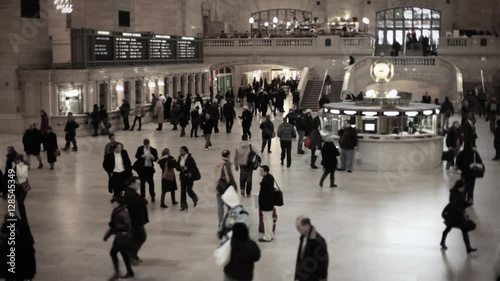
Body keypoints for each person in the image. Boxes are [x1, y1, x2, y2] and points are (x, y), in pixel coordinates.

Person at [440, 180, 477, 254]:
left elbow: (462, 203)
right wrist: (462, 210)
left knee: (464, 231)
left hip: (460, 215)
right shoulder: (453, 194)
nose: (463, 189)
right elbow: (453, 205)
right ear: (458, 187)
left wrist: (467, 204)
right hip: (453, 216)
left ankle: (468, 248)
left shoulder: (463, 193)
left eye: (463, 188)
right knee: (448, 228)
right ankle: (442, 242)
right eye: (461, 188)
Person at [103, 196, 134, 280]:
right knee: (124, 253)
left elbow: (127, 226)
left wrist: (115, 227)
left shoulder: (122, 212)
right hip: (121, 236)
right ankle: (129, 272)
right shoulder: (117, 211)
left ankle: (117, 273)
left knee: (113, 253)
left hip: (121, 237)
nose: (112, 204)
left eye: (114, 202)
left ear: (118, 203)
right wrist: (108, 234)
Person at [123, 176, 149, 265]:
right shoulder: (130, 194)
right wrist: (144, 202)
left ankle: (133, 255)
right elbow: (138, 204)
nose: (139, 186)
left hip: (136, 220)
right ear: (132, 183)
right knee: (141, 237)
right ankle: (131, 256)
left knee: (137, 238)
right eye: (138, 184)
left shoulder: (131, 192)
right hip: (135, 221)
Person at [294, 216, 329, 281]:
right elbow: (300, 259)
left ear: (307, 226)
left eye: (299, 227)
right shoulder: (303, 238)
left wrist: (323, 278)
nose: (297, 230)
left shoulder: (318, 242)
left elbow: (323, 264)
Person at [456, 142, 484, 206]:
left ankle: (463, 199)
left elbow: (457, 162)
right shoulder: (474, 153)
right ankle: (470, 200)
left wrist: (462, 168)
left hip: (464, 173)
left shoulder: (461, 153)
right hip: (472, 173)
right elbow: (480, 162)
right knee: (471, 187)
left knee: (463, 186)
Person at [214, 150, 237, 224]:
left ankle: (220, 223)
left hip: (218, 187)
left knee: (220, 206)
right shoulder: (226, 164)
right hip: (227, 188)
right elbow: (229, 177)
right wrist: (234, 187)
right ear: (228, 156)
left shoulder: (218, 163)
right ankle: (232, 223)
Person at [176, 146, 199, 211]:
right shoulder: (179, 158)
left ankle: (194, 197)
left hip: (189, 177)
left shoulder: (190, 158)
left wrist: (189, 171)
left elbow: (194, 167)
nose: (180, 152)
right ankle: (183, 205)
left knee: (188, 189)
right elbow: (177, 167)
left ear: (186, 151)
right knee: (182, 191)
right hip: (182, 176)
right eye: (180, 151)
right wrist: (180, 168)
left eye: (182, 151)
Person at [258, 165, 275, 243]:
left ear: (266, 171)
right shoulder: (270, 177)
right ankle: (270, 234)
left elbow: (264, 194)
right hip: (270, 203)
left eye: (261, 170)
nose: (260, 172)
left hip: (266, 203)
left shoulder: (265, 181)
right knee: (269, 219)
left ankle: (267, 236)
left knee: (267, 220)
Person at [14, 154, 30, 222]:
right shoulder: (16, 166)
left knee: (20, 202)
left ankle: (24, 219)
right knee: (19, 202)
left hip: (23, 185)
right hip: (18, 186)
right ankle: (23, 218)